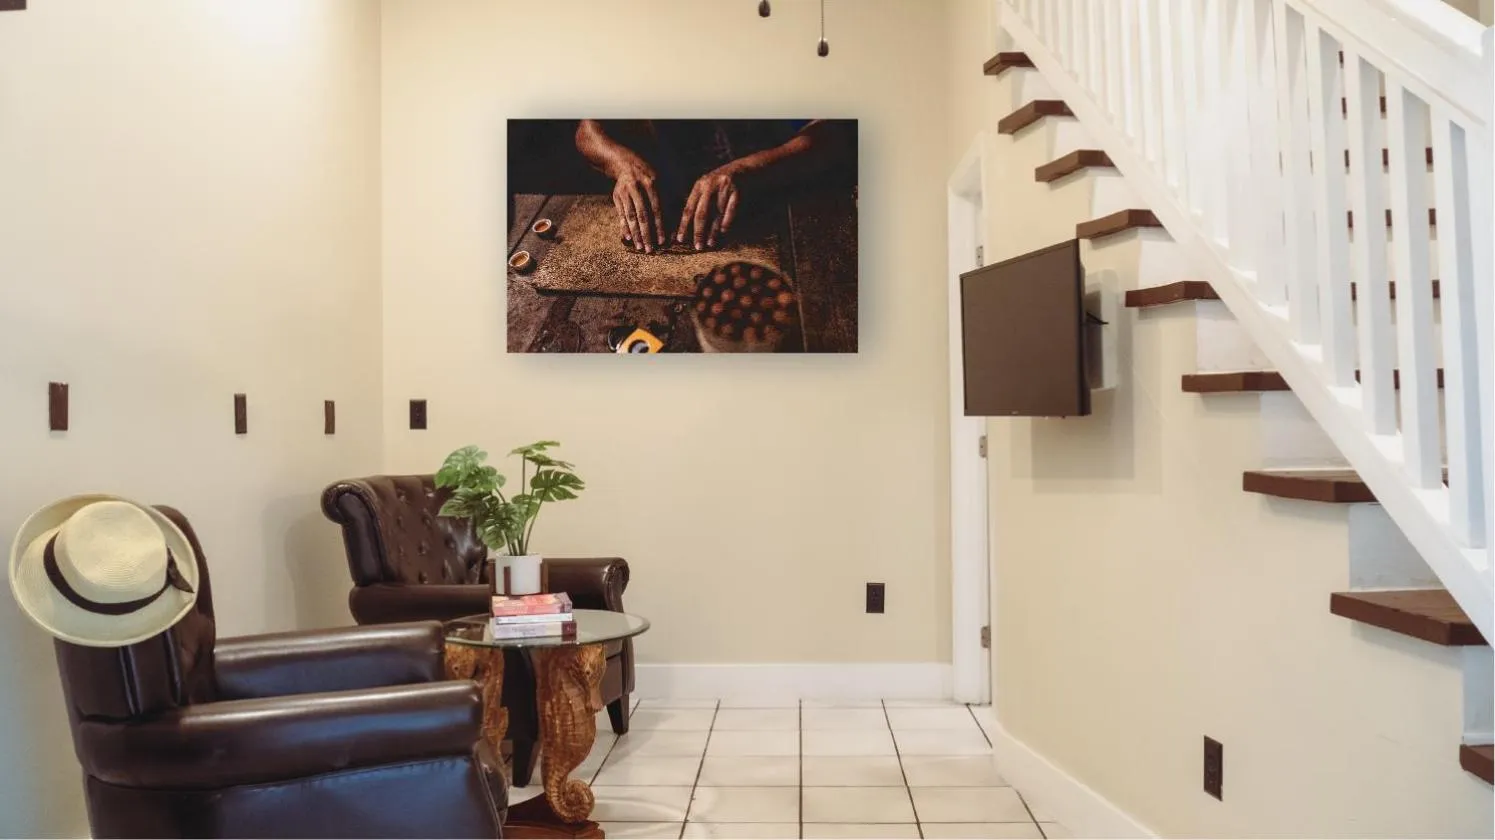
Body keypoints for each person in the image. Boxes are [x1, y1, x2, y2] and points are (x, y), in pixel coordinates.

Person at [575, 119, 852, 254]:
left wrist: (746, 170)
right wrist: (622, 165)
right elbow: (588, 131)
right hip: (677, 213)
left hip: (777, 207)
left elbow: (830, 133)